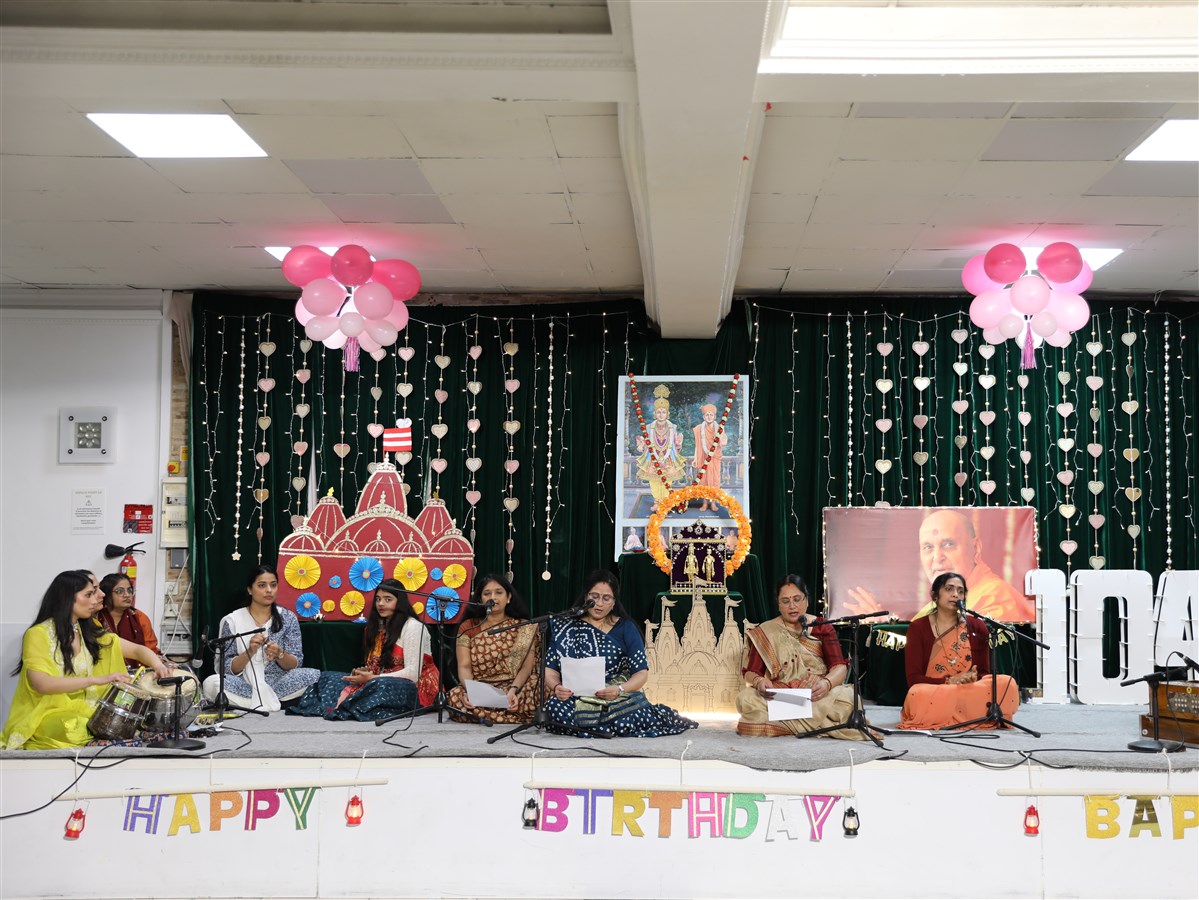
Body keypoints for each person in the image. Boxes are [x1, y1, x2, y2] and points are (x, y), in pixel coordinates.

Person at [2, 570, 172, 750]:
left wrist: (159, 666)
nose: (95, 600)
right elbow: (41, 684)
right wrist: (97, 680)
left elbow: (137, 650)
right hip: (46, 714)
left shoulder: (89, 632)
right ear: (68, 598)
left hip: (83, 709)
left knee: (109, 722)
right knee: (74, 727)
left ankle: (112, 738)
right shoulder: (37, 634)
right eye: (88, 595)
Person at [544, 570, 696, 737]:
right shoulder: (567, 626)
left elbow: (641, 673)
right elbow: (550, 669)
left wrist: (620, 689)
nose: (599, 603)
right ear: (586, 596)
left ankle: (590, 727)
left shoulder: (626, 628)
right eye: (594, 596)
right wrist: (557, 687)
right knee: (554, 707)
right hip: (577, 696)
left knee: (633, 712)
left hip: (616, 697)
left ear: (614, 602)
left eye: (606, 598)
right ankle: (604, 727)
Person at [736, 575, 867, 740]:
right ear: (778, 604)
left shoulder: (821, 627)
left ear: (807, 600)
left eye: (797, 599)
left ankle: (783, 723)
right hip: (782, 696)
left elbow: (839, 667)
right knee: (746, 699)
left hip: (815, 695)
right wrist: (759, 681)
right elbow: (750, 672)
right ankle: (818, 723)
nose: (792, 606)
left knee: (848, 699)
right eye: (785, 601)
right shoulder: (766, 631)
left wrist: (826, 684)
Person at [845, 508, 1035, 622]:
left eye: (948, 544)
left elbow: (954, 654)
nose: (937, 558)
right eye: (928, 547)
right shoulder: (942, 603)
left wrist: (886, 627)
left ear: (975, 548)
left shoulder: (995, 599)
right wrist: (883, 623)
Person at [288, 579, 437, 721]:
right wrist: (365, 673)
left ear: (400, 602)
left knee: (378, 686)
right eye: (378, 599)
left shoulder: (413, 627)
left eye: (388, 599)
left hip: (415, 686)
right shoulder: (378, 627)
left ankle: (350, 705)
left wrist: (372, 678)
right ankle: (342, 705)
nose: (381, 604)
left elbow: (413, 674)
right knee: (328, 677)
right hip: (381, 680)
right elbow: (380, 667)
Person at [898, 571, 1021, 730]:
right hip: (936, 690)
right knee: (917, 693)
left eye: (960, 591)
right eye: (949, 589)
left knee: (1006, 683)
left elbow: (983, 673)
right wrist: (950, 681)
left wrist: (972, 677)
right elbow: (913, 679)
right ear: (935, 595)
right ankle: (972, 714)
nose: (955, 594)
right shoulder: (918, 627)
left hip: (968, 688)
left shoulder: (976, 626)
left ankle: (947, 713)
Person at [201, 565, 320, 712]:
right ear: (250, 590)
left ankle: (250, 703)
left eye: (273, 585)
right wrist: (249, 652)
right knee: (211, 683)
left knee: (313, 675)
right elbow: (226, 669)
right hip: (244, 684)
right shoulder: (232, 621)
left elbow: (296, 663)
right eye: (262, 585)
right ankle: (273, 702)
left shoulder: (288, 618)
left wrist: (280, 654)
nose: (269, 590)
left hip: (279, 682)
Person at [447, 574, 540, 724]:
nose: (493, 597)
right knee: (455, 697)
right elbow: (464, 666)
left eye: (499, 592)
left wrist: (513, 690)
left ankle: (484, 715)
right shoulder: (468, 626)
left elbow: (526, 668)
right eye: (487, 593)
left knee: (540, 689)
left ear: (508, 597)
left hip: (515, 687)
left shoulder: (524, 627)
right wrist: (472, 692)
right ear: (480, 599)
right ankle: (509, 715)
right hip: (480, 688)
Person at [634, 387, 685, 502]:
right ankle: (657, 501)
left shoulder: (673, 427)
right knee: (654, 481)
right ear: (655, 414)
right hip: (653, 459)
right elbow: (646, 444)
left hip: (669, 458)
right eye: (659, 412)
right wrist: (642, 444)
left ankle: (665, 502)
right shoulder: (648, 427)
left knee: (668, 480)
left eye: (663, 412)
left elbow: (675, 445)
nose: (661, 415)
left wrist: (678, 443)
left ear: (667, 414)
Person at [97, 573, 160, 668]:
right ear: (107, 594)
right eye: (120, 591)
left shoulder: (139, 617)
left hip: (137, 672)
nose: (127, 595)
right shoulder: (96, 618)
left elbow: (151, 648)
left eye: (130, 590)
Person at [692, 403, 728, 510]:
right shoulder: (699, 429)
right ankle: (704, 503)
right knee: (703, 480)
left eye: (711, 415)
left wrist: (722, 439)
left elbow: (723, 442)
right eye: (707, 415)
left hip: (715, 458)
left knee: (715, 480)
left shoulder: (720, 429)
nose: (709, 417)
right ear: (703, 417)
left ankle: (713, 503)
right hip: (703, 457)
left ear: (714, 417)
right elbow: (697, 445)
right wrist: (695, 458)